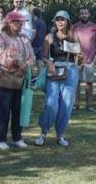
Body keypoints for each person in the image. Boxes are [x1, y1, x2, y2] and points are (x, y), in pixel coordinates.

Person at [34, 11, 80, 147]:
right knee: (51, 102)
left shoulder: (73, 36)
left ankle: (60, 135)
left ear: (68, 22)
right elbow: (45, 56)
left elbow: (77, 58)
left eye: (63, 20)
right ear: (55, 21)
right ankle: (43, 133)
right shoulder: (49, 37)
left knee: (67, 104)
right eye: (58, 20)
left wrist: (80, 57)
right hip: (53, 70)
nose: (60, 22)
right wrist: (49, 64)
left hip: (70, 71)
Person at [0, 11, 35, 149]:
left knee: (18, 109)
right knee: (3, 109)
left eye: (21, 23)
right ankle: (1, 139)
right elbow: (0, 56)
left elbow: (31, 55)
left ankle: (17, 137)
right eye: (17, 22)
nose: (20, 25)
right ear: (9, 23)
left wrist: (27, 64)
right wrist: (18, 62)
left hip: (20, 79)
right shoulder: (0, 38)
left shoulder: (24, 38)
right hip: (4, 78)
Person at [72, 7, 96, 111]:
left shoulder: (95, 27)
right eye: (82, 13)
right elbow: (70, 43)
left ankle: (89, 105)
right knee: (76, 82)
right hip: (77, 60)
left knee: (89, 83)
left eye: (85, 13)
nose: (84, 15)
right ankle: (75, 104)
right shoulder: (74, 27)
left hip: (90, 60)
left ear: (89, 14)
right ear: (79, 15)